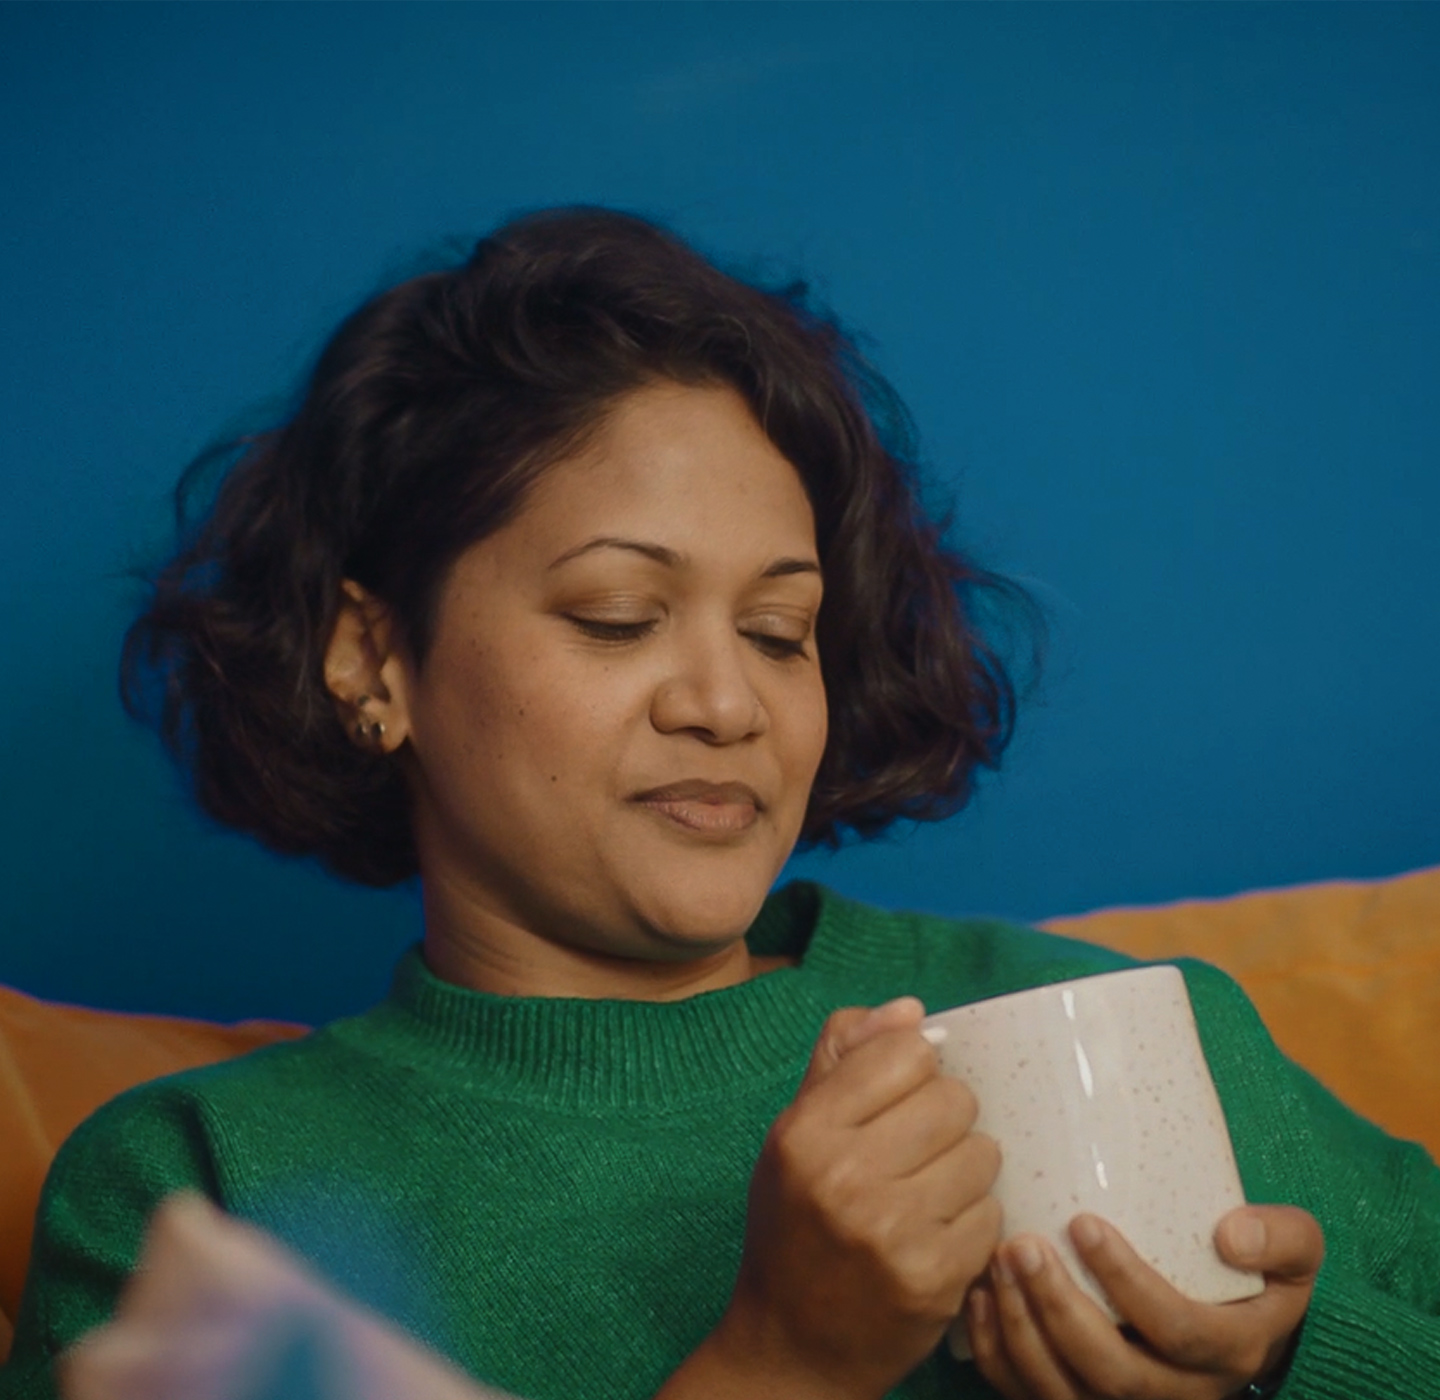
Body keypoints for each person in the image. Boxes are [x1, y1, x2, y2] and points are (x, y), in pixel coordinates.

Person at [3, 208, 1437, 1400]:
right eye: (620, 618)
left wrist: (1300, 1354)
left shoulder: (1122, 1038)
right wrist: (783, 1364)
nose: (728, 704)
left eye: (779, 632)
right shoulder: (198, 1200)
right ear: (374, 658)